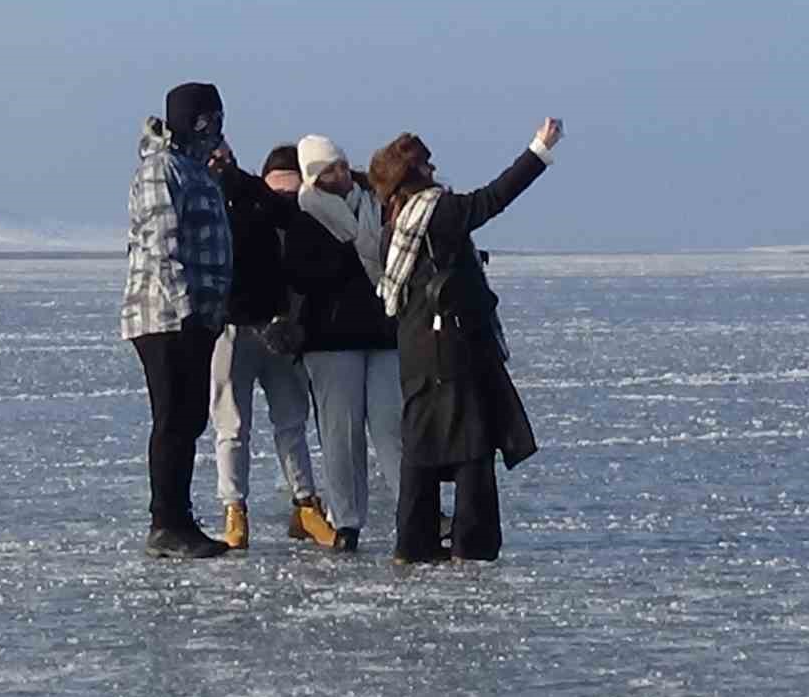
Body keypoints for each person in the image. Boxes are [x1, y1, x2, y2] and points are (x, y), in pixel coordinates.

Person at [369, 118, 563, 563]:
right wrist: (539, 150)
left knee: (421, 445)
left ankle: (412, 543)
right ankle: (471, 543)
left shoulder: (396, 227)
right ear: (412, 174)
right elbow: (494, 198)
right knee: (471, 444)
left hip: (417, 349)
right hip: (453, 346)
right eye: (424, 162)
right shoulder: (438, 212)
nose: (434, 166)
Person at [120, 83, 234, 559]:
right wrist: (187, 312)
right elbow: (162, 248)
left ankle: (179, 516)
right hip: (165, 318)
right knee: (172, 417)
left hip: (197, 319)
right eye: (211, 121)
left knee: (188, 419)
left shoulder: (197, 170)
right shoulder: (161, 171)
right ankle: (165, 522)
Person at [206, 143, 335, 549]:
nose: (282, 199)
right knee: (232, 425)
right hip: (231, 329)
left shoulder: (304, 219)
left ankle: (305, 506)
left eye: (290, 192)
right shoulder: (234, 205)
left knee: (292, 421)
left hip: (282, 331)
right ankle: (234, 510)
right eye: (274, 190)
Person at [281, 136, 403, 553]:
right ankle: (347, 519)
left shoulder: (375, 205)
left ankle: (415, 509)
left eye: (341, 165)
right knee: (341, 433)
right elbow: (301, 276)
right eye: (328, 169)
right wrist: (348, 257)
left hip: (383, 333)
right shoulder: (306, 218)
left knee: (391, 426)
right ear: (313, 177)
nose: (339, 174)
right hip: (330, 341)